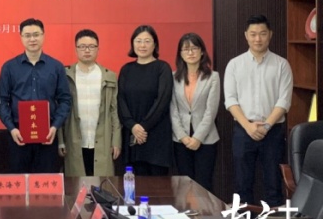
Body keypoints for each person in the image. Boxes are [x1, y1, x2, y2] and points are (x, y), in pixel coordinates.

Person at [224, 14, 293, 206]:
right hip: (243, 130)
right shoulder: (234, 64)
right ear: (246, 35)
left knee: (273, 184)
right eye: (253, 34)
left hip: (273, 131)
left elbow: (284, 101)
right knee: (242, 185)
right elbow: (230, 100)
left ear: (270, 34)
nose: (258, 39)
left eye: (262, 33)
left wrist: (267, 125)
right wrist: (248, 126)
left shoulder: (281, 64)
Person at [0, 18, 72, 173]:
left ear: (43, 36)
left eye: (36, 34)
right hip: (18, 135)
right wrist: (12, 128)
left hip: (48, 134)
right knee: (19, 181)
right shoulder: (9, 67)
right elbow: (2, 101)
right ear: (21, 37)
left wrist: (55, 126)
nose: (32, 39)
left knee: (45, 182)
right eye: (27, 35)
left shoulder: (56, 66)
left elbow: (65, 100)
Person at [58, 29, 121, 176]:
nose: (87, 50)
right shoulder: (65, 76)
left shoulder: (109, 76)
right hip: (74, 140)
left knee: (103, 184)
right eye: (82, 46)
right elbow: (60, 110)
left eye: (91, 46)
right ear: (76, 49)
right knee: (75, 185)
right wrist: (60, 140)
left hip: (102, 141)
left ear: (98, 49)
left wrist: (116, 141)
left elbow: (114, 111)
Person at [117, 25, 173, 176]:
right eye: (138, 41)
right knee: (134, 183)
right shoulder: (126, 69)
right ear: (133, 44)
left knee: (158, 185)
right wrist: (133, 126)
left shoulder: (163, 68)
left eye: (147, 41)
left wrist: (143, 127)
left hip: (156, 136)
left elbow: (162, 101)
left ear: (155, 45)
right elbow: (120, 100)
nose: (142, 45)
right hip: (132, 134)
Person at [170, 32, 220, 192]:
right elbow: (173, 110)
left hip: (206, 139)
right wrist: (183, 137)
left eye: (194, 48)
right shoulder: (173, 77)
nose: (190, 53)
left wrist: (197, 138)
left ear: (202, 51)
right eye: (186, 49)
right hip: (181, 140)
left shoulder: (213, 77)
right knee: (184, 185)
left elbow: (211, 111)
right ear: (180, 54)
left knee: (204, 184)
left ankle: (205, 210)